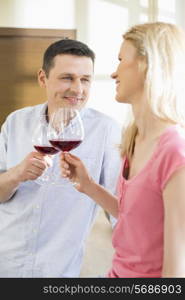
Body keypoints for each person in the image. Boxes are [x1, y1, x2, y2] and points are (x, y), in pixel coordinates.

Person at [60, 22, 185, 278]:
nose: (114, 73)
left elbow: (176, 273)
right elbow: (136, 219)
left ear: (146, 65)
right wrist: (88, 185)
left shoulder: (175, 152)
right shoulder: (134, 138)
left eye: (120, 60)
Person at [0, 39, 121, 277]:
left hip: (59, 271)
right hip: (6, 262)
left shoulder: (106, 130)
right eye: (67, 77)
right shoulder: (16, 121)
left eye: (85, 79)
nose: (77, 89)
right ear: (43, 78)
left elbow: (119, 210)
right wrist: (16, 174)